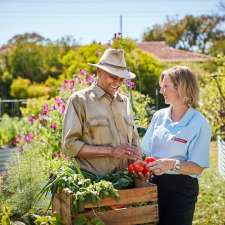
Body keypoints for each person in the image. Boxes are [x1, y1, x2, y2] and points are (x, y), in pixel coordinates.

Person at [141, 66, 211, 225]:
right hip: (153, 184)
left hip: (181, 189)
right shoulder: (159, 116)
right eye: (161, 86)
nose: (161, 91)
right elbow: (145, 151)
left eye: (166, 86)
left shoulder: (199, 123)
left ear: (182, 89)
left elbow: (197, 167)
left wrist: (171, 164)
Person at [62, 48, 141, 176]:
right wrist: (111, 151)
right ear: (99, 71)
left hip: (126, 182)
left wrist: (139, 165)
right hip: (95, 186)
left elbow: (134, 142)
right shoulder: (79, 101)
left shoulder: (125, 102)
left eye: (121, 79)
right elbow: (69, 146)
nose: (118, 82)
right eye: (113, 76)